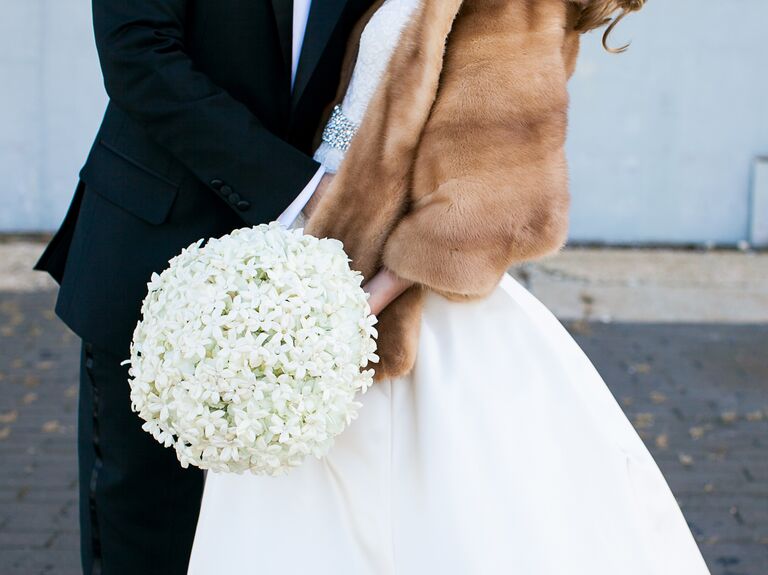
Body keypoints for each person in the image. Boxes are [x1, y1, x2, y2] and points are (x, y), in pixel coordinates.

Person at [189, 1, 713, 574]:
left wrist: (356, 311)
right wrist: (307, 222)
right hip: (332, 265)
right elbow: (358, 110)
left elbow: (490, 200)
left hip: (404, 317)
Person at [34, 1, 376, 573]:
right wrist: (298, 190)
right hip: (148, 248)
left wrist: (335, 157)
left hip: (304, 288)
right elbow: (137, 55)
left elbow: (360, 76)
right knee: (143, 529)